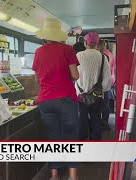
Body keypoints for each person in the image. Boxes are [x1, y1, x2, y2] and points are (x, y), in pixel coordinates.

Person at [32, 18, 80, 180]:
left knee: (53, 137)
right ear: (58, 35)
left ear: (44, 37)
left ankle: (54, 175)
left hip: (45, 100)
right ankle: (72, 177)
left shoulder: (38, 52)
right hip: (66, 99)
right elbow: (75, 75)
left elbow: (38, 80)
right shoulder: (67, 49)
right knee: (71, 136)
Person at [76, 32, 111, 140]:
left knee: (82, 120)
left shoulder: (78, 56)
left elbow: (73, 76)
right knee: (96, 119)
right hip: (97, 96)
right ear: (97, 43)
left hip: (81, 96)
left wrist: (80, 90)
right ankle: (95, 143)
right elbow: (107, 80)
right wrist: (99, 91)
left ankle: (82, 143)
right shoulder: (103, 57)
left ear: (85, 42)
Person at [98, 40, 116, 127]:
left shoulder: (105, 55)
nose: (97, 47)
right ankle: (104, 121)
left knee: (105, 103)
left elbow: (104, 71)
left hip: (106, 82)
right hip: (109, 81)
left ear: (102, 45)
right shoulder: (109, 53)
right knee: (106, 103)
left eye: (98, 45)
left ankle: (104, 122)